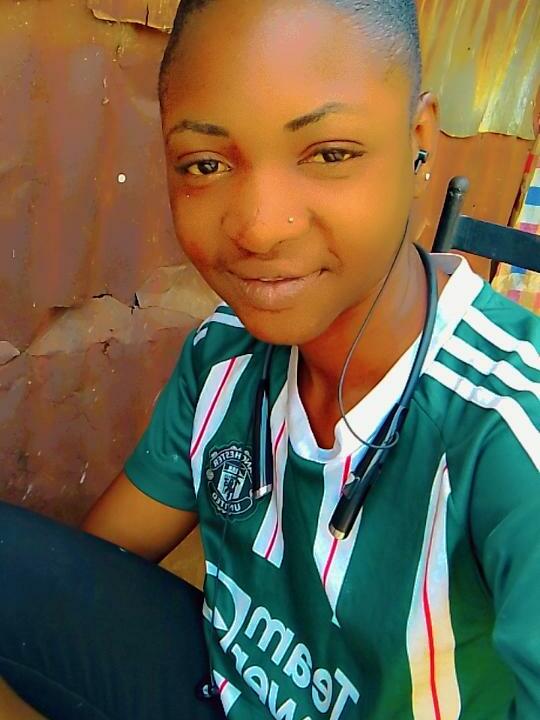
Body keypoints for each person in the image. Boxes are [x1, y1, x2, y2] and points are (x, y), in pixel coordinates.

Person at [1, 0, 539, 718]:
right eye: (206, 164)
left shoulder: (509, 428)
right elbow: (86, 580)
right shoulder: (224, 353)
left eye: (330, 154)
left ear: (419, 143)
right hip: (223, 685)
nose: (259, 227)